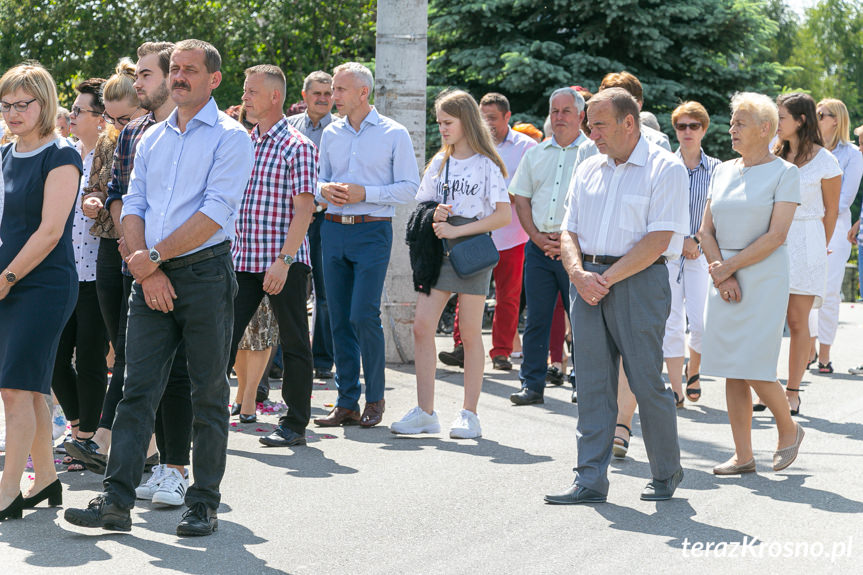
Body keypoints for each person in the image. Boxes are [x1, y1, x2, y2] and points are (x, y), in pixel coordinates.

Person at [64, 39, 254, 536]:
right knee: (134, 390)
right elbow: (132, 204)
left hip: (205, 274)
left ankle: (203, 502)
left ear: (214, 79)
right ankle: (116, 500)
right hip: (148, 276)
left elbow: (215, 212)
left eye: (191, 70)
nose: (180, 77)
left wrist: (155, 259)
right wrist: (145, 269)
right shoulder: (151, 138)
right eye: (176, 70)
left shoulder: (232, 138)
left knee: (208, 391)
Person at [64, 46, 193, 508]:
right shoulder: (133, 134)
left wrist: (150, 255)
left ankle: (176, 469)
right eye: (138, 74)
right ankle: (129, 475)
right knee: (136, 363)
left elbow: (204, 207)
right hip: (128, 260)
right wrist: (134, 248)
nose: (139, 82)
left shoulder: (201, 133)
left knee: (177, 372)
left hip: (182, 264)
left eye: (146, 74)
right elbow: (121, 193)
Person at [545, 88, 688, 505]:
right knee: (592, 384)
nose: (591, 133)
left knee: (645, 381)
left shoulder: (666, 168)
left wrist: (604, 279)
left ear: (630, 122)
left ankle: (665, 471)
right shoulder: (588, 167)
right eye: (589, 124)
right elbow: (568, 230)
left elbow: (660, 238)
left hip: (637, 280)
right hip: (586, 278)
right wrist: (577, 273)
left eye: (600, 124)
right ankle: (590, 479)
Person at [392, 89, 510, 439]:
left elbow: (502, 216)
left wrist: (461, 226)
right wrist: (436, 214)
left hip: (472, 250)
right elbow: (422, 207)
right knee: (422, 328)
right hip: (437, 251)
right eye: (439, 122)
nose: (442, 128)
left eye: (448, 122)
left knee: (471, 335)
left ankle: (469, 414)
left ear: (466, 122)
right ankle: (426, 412)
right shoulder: (439, 163)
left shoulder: (487, 165)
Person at [699, 92, 805, 474]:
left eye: (740, 123)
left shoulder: (785, 173)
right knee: (731, 365)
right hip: (724, 275)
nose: (732, 129)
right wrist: (719, 269)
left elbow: (777, 235)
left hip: (763, 277)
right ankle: (743, 455)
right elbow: (704, 229)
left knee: (755, 365)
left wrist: (728, 269)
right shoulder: (722, 170)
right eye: (732, 122)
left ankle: (789, 428)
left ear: (766, 129)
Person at [312, 62, 419, 429]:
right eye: (330, 91)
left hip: (372, 231)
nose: (332, 97)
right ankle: (346, 403)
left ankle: (375, 399)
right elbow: (316, 179)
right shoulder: (331, 133)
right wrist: (322, 189)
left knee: (362, 315)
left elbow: (410, 187)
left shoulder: (394, 133)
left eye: (339, 90)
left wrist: (366, 193)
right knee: (338, 317)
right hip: (332, 228)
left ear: (362, 93)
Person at [1, 63, 83, 519]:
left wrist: (7, 278)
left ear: (44, 104)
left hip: (43, 284)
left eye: (22, 104)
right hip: (7, 281)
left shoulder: (62, 155)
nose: (12, 113)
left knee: (14, 388)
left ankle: (8, 488)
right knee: (29, 389)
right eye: (6, 104)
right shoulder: (3, 153)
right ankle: (47, 479)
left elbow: (50, 232)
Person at [228, 64, 317, 447]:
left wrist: (284, 260)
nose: (244, 96)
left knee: (295, 343)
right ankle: (203, 417)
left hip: (284, 262)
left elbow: (305, 209)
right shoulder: (243, 142)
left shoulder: (298, 146)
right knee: (221, 340)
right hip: (242, 260)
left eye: (251, 91)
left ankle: (294, 425)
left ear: (274, 97)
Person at [439, 93, 536, 371]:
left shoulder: (526, 147)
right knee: (465, 287)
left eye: (492, 117)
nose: (486, 123)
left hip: (511, 234)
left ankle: (501, 351)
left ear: (508, 117)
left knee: (508, 295)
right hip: (473, 233)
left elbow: (532, 187)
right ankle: (461, 347)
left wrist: (501, 197)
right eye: (482, 117)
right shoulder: (466, 143)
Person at [509, 87, 588, 406]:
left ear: (581, 116)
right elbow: (522, 199)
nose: (559, 117)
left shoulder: (594, 153)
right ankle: (532, 385)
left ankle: (583, 383)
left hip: (578, 252)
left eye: (566, 111)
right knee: (537, 318)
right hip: (538, 248)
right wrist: (538, 237)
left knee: (582, 320)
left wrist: (568, 243)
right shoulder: (535, 154)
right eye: (554, 111)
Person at [763, 93, 840, 417]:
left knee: (797, 321)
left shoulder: (826, 161)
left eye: (781, 117)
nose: (776, 123)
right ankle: (765, 386)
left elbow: (831, 213)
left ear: (801, 120)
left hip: (808, 242)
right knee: (766, 321)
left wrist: (816, 250)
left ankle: (792, 392)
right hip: (771, 242)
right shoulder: (771, 154)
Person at [51, 78, 109, 472]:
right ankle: (77, 425)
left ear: (100, 118)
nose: (71, 117)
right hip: (62, 272)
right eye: (71, 110)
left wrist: (100, 201)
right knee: (54, 356)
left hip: (96, 274)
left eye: (79, 111)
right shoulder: (66, 155)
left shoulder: (109, 156)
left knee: (90, 358)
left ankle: (86, 438)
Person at [663, 102, 720, 405]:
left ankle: (693, 368)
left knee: (700, 323)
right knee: (671, 321)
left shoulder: (717, 169)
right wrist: (680, 239)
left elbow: (721, 213)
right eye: (681, 126)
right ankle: (675, 388)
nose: (687, 131)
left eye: (693, 126)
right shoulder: (664, 164)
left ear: (703, 129)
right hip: (668, 253)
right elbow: (657, 210)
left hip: (702, 253)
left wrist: (697, 241)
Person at [808, 99, 862, 373]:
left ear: (836, 121)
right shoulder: (808, 150)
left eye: (820, 114)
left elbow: (844, 200)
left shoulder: (852, 154)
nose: (815, 118)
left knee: (828, 291)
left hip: (835, 227)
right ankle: (808, 347)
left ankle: (824, 355)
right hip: (805, 225)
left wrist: (813, 210)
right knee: (804, 288)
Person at [287, 71, 335, 381]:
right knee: (283, 289)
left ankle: (322, 360)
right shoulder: (289, 129)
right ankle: (277, 361)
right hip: (290, 219)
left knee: (325, 294)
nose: (322, 98)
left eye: (327, 93)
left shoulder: (342, 131)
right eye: (316, 93)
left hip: (325, 220)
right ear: (304, 96)